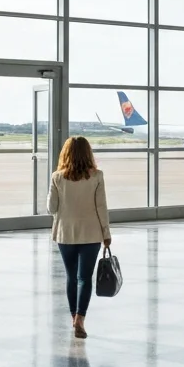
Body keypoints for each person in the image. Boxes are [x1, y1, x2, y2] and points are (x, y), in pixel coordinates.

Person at [48, 136, 111, 339]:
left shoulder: (57, 177)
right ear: (88, 153)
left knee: (71, 277)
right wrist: (106, 234)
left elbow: (51, 208)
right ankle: (80, 319)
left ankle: (72, 316)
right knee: (84, 278)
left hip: (65, 234)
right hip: (91, 233)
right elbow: (101, 207)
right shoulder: (97, 176)